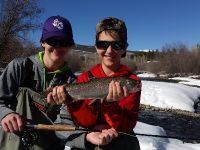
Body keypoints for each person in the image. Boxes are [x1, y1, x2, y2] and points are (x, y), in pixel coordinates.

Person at [53, 17, 141, 150]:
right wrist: (70, 101)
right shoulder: (84, 78)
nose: (109, 51)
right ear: (96, 47)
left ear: (124, 49)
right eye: (103, 45)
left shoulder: (132, 81)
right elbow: (83, 122)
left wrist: (111, 105)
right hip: (88, 142)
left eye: (117, 45)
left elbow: (127, 126)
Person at [0, 15, 76, 150]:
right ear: (43, 42)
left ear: (70, 45)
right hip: (11, 144)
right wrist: (6, 113)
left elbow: (67, 122)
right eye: (53, 40)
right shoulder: (19, 67)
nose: (58, 47)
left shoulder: (71, 81)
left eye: (64, 42)